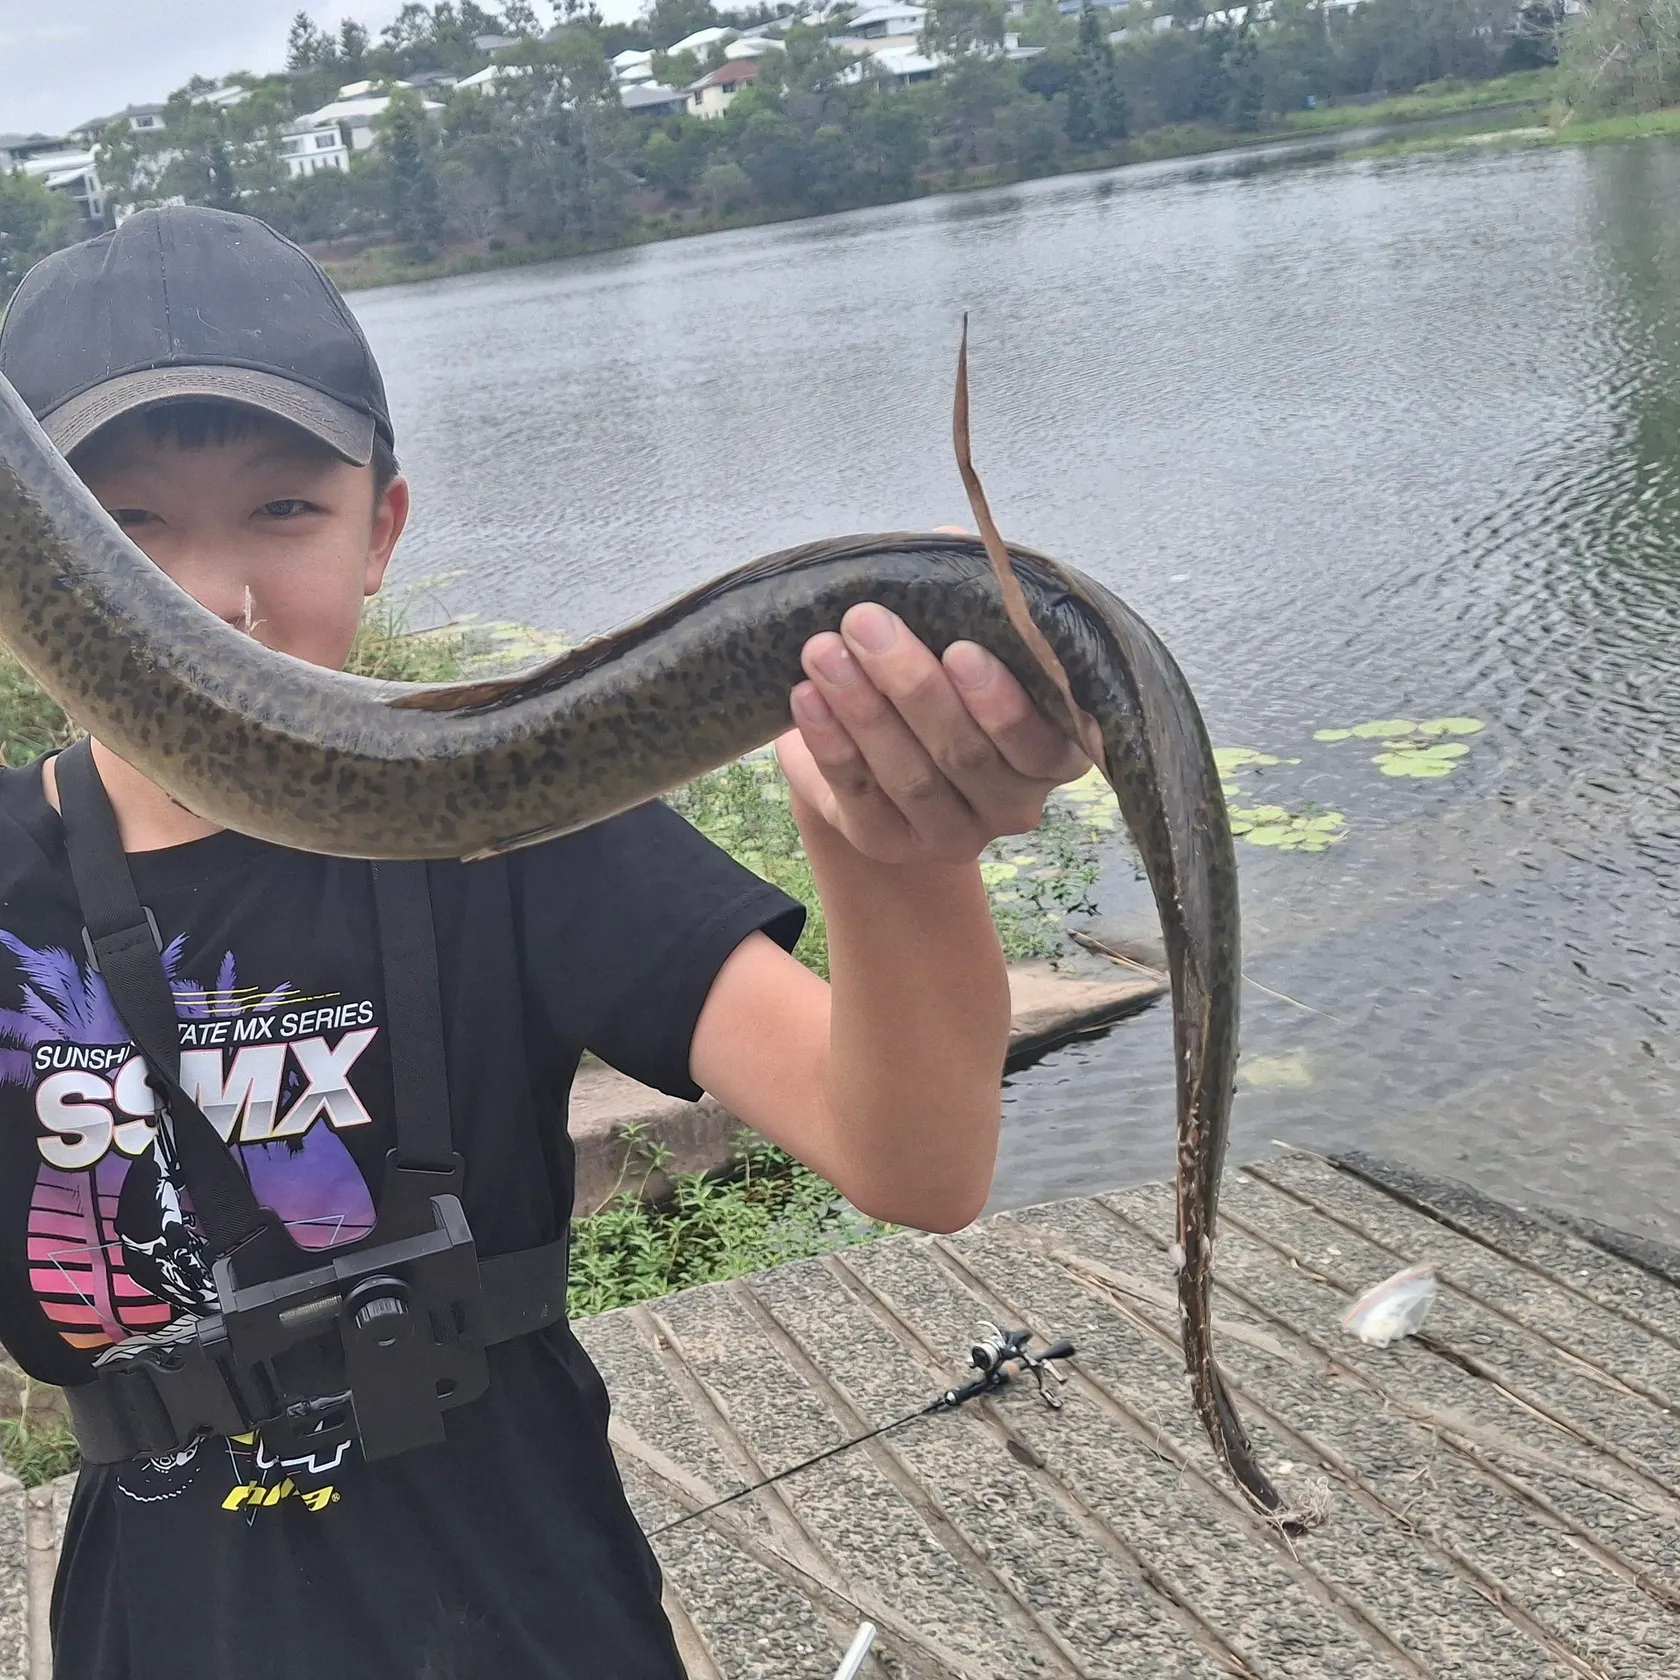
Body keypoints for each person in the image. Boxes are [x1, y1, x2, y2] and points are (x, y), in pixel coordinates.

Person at [0, 205, 1087, 1680]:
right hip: (164, 1629)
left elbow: (914, 1162)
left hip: (531, 1615)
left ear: (384, 528)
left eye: (284, 511)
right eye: (122, 534)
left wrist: (895, 857)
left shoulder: (507, 801)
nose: (219, 599)